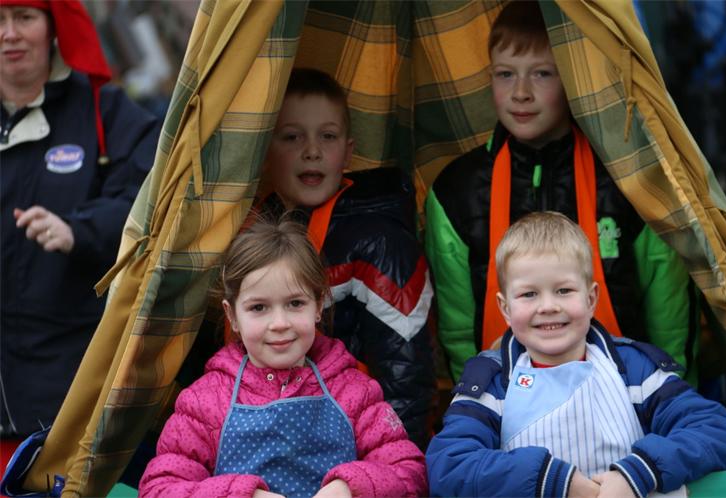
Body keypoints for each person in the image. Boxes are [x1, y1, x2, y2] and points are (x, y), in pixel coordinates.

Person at [424, 0, 692, 382]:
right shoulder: (456, 190)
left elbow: (668, 309)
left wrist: (672, 390)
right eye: (505, 74)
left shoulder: (626, 178)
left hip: (625, 390)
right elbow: (457, 328)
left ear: (573, 79)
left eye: (542, 74)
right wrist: (475, 395)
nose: (520, 92)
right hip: (507, 395)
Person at [426, 211, 726, 498]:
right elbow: (449, 466)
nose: (548, 306)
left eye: (564, 290)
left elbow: (716, 430)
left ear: (591, 299)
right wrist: (551, 480)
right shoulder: (492, 383)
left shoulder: (635, 370)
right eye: (529, 294)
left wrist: (640, 471)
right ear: (505, 309)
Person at [139, 217, 428, 498]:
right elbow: (158, 489)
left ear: (318, 306)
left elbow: (409, 473)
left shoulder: (355, 392)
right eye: (259, 308)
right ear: (232, 315)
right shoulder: (205, 402)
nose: (279, 323)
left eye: (295, 303)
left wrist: (351, 487)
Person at [246, 67, 435, 449]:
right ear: (265, 151)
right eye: (292, 137)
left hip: (356, 446)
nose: (312, 150)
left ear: (348, 152)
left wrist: (387, 467)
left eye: (327, 136)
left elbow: (406, 386)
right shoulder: (245, 233)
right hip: (263, 433)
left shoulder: (383, 245)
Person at [0, 0, 158, 455]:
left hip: (71, 393)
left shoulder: (106, 112)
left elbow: (153, 199)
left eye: (24, 17)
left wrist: (79, 230)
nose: (10, 34)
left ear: (53, 27)